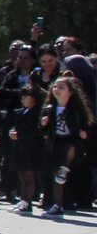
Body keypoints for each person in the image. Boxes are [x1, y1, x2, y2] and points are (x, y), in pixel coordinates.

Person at [39, 74, 92, 217]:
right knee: (56, 178)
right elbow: (44, 130)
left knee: (68, 152)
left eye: (61, 87)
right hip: (55, 143)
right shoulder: (50, 108)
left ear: (70, 92)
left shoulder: (75, 110)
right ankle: (57, 205)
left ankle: (64, 168)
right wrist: (43, 124)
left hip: (71, 141)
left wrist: (85, 133)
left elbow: (87, 126)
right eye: (55, 86)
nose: (57, 89)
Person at [5, 83, 45, 215]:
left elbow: (36, 131)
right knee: (21, 175)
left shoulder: (37, 113)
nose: (23, 99)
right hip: (19, 147)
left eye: (26, 97)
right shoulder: (20, 112)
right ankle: (23, 200)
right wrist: (12, 132)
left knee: (29, 175)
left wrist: (20, 135)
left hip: (31, 148)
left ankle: (28, 202)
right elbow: (15, 126)